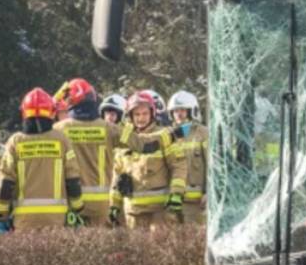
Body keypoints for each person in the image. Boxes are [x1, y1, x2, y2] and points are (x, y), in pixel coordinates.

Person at [0, 88, 86, 231]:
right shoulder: (61, 140)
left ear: (24, 112)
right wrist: (77, 209)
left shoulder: (15, 141)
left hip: (23, 221)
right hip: (56, 220)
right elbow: (72, 179)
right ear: (51, 112)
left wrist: (1, 216)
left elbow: (6, 182)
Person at [111, 91, 186, 229]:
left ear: (152, 114)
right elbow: (117, 174)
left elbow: (179, 166)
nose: (141, 118)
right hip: (132, 212)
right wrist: (114, 205)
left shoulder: (164, 136)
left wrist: (176, 193)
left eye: (145, 113)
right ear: (130, 117)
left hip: (159, 212)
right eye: (137, 114)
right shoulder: (125, 139)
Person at [54, 79, 121, 225]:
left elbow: (37, 126)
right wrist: (173, 134)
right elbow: (142, 143)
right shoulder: (109, 129)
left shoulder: (59, 129)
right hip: (101, 204)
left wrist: (56, 98)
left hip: (71, 202)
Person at [168, 90, 207, 224]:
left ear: (192, 111)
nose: (178, 114)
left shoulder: (202, 133)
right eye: (175, 111)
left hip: (196, 202)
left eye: (183, 110)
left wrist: (208, 193)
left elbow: (211, 165)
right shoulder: (167, 135)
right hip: (172, 200)